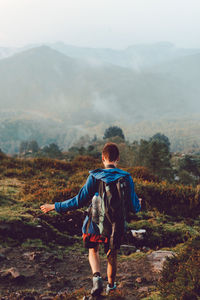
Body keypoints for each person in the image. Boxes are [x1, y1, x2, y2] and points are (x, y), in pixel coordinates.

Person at [40, 142, 141, 297]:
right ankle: (111, 287)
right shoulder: (126, 178)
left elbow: (78, 201)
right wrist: (139, 204)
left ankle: (96, 278)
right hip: (115, 224)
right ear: (118, 159)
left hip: (95, 222)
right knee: (111, 254)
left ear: (103, 158)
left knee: (93, 250)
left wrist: (55, 206)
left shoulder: (94, 176)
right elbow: (134, 207)